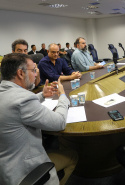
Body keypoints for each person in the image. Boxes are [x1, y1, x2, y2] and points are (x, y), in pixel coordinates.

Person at [0, 53, 78, 185]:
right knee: (72, 155)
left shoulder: (5, 91)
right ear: (20, 73)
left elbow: (16, 105)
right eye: (33, 70)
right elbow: (59, 122)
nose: (36, 74)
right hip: (25, 171)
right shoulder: (23, 99)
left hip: (5, 167)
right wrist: (63, 96)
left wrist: (42, 95)